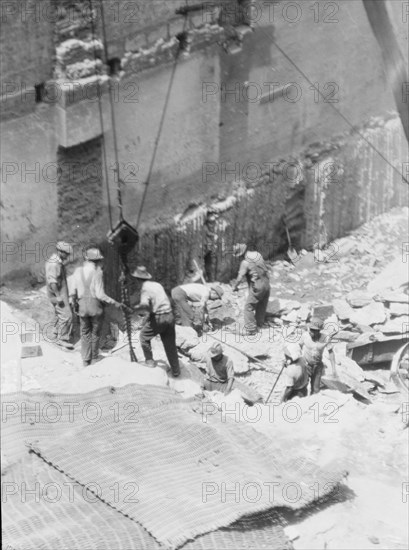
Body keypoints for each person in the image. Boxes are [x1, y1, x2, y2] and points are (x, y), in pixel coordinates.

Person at [70, 248, 123, 366]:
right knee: (95, 332)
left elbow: (73, 291)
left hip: (82, 305)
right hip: (95, 306)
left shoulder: (77, 271)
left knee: (84, 332)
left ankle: (85, 360)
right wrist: (114, 302)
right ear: (97, 260)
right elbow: (100, 294)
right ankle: (94, 358)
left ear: (86, 258)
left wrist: (74, 304)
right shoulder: (98, 272)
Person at [131, 266, 181, 377]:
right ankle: (176, 370)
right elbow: (157, 302)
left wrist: (133, 308)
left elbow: (144, 305)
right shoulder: (157, 285)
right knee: (170, 345)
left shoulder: (144, 288)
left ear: (138, 280)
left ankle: (149, 361)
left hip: (159, 318)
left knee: (144, 337)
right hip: (169, 316)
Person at [232, 244, 270, 334]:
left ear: (240, 254)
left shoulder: (245, 262)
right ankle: (260, 323)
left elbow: (239, 277)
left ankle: (251, 329)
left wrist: (235, 287)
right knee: (261, 303)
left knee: (248, 307)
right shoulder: (257, 254)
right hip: (267, 283)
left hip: (258, 286)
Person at [45, 241, 74, 349]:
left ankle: (54, 331)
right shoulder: (54, 264)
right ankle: (62, 339)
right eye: (66, 254)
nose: (68, 256)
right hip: (57, 294)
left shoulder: (57, 261)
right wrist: (58, 296)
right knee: (67, 316)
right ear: (60, 252)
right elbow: (52, 281)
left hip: (60, 292)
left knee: (59, 313)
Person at [301, 317, 333, 394]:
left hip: (317, 366)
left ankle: (312, 403)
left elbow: (331, 352)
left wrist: (333, 369)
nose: (310, 332)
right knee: (302, 387)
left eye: (313, 330)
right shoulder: (305, 336)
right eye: (310, 329)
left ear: (318, 331)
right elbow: (298, 346)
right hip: (306, 365)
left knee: (316, 390)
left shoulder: (325, 338)